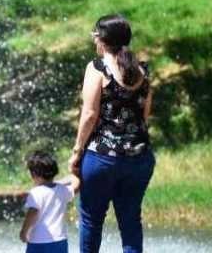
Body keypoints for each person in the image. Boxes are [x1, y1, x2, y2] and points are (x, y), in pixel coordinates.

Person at [67, 14, 154, 253]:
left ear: (102, 39)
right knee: (130, 221)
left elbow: (89, 114)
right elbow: (144, 115)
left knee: (91, 220)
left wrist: (77, 152)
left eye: (95, 35)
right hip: (140, 157)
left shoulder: (97, 68)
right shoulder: (143, 71)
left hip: (101, 158)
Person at [20, 151, 80, 253]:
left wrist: (24, 232)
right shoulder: (62, 189)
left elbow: (32, 212)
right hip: (59, 240)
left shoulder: (36, 192)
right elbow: (76, 187)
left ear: (34, 174)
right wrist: (75, 172)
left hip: (38, 242)